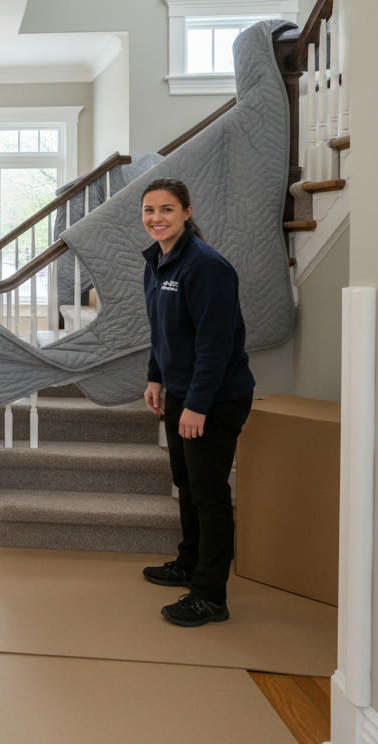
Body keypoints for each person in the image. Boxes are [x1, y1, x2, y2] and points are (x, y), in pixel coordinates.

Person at [139, 178, 255, 628]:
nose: (156, 218)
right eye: (149, 210)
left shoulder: (205, 266)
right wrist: (156, 377)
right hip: (181, 391)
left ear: (187, 212)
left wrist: (198, 405)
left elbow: (215, 344)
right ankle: (188, 563)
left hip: (215, 399)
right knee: (185, 483)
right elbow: (162, 329)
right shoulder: (158, 260)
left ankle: (210, 595)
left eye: (167, 209)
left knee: (209, 495)